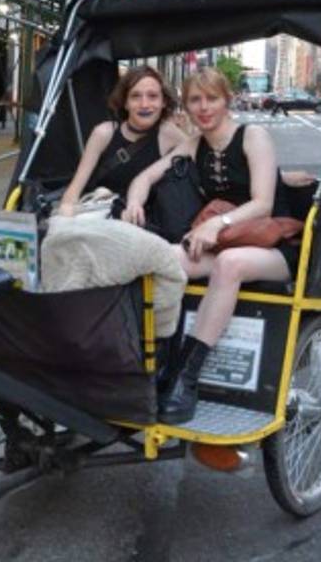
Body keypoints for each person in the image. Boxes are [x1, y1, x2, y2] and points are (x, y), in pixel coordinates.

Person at [124, 68, 295, 424]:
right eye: (195, 100)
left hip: (275, 244)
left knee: (229, 264)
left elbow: (263, 203)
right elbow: (146, 176)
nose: (204, 108)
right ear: (185, 106)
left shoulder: (253, 136)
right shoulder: (195, 143)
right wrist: (134, 203)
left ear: (226, 99)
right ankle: (161, 366)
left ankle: (187, 378)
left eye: (211, 99)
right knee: (165, 259)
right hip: (222, 241)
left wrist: (219, 223)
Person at [57, 66, 187, 215]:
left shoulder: (169, 133)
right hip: (100, 220)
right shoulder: (103, 133)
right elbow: (74, 190)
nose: (144, 104)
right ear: (125, 103)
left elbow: (201, 149)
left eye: (152, 96)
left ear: (164, 102)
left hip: (144, 226)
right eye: (135, 96)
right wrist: (64, 215)